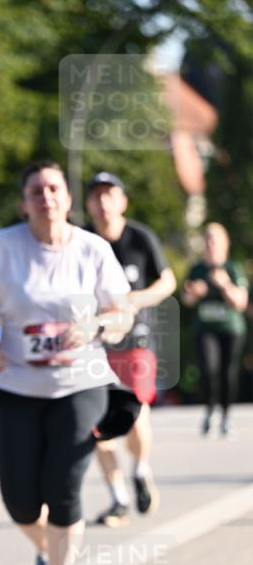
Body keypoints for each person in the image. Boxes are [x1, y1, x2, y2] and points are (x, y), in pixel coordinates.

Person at [0, 160, 132, 565]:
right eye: (36, 190)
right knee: (19, 497)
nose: (47, 197)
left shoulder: (92, 249)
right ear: (24, 203)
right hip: (17, 384)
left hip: (81, 384)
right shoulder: (3, 247)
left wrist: (97, 325)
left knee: (64, 488)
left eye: (54, 188)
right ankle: (49, 551)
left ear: (68, 198)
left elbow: (121, 314)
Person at [85, 172, 177, 526]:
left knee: (135, 415)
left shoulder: (140, 238)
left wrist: (135, 300)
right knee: (96, 425)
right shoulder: (84, 240)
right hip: (95, 346)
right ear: (90, 203)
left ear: (122, 200)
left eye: (109, 194)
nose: (103, 202)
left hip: (136, 343)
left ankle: (140, 469)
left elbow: (167, 280)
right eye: (96, 196)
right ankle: (119, 498)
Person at [181, 222, 248, 437]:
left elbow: (241, 303)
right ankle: (210, 411)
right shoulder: (197, 269)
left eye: (216, 239)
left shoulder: (233, 268)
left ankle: (226, 416)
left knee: (228, 374)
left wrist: (225, 284)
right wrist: (196, 293)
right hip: (205, 329)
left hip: (231, 329)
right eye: (208, 239)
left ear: (225, 243)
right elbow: (186, 299)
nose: (211, 244)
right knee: (209, 371)